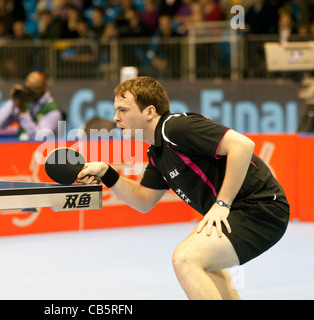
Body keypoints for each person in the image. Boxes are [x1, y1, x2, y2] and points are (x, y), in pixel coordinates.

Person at [77, 76, 290, 300]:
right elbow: (143, 200)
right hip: (239, 212)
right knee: (205, 265)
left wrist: (222, 203)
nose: (115, 118)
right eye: (115, 110)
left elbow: (242, 145)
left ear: (149, 112)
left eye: (123, 110)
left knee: (186, 258)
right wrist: (106, 173)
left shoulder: (176, 127)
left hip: (260, 208)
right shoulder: (158, 153)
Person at [0, 71, 65, 140]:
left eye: (35, 87)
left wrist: (23, 113)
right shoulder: (26, 103)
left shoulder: (53, 111)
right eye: (29, 87)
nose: (31, 91)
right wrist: (13, 101)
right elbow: (0, 125)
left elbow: (39, 139)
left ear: (44, 87)